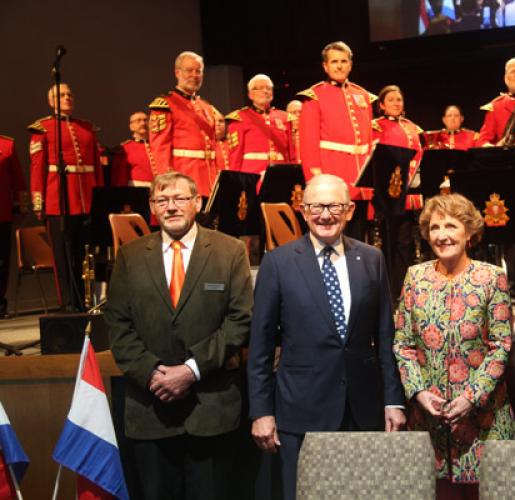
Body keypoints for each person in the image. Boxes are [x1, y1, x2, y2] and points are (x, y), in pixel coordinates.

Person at [247, 174, 406, 500]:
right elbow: (261, 347)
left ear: (348, 210)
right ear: (303, 211)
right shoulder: (278, 263)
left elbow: (386, 337)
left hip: (362, 411)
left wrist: (393, 400)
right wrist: (261, 411)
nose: (325, 215)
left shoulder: (372, 259)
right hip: (301, 411)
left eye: (334, 206)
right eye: (317, 206)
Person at [105, 172, 252, 499]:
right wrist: (153, 373)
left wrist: (190, 371)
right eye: (162, 200)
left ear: (196, 202)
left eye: (180, 199)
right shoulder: (129, 256)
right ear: (152, 207)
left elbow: (240, 320)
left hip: (211, 409)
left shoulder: (230, 252)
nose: (171, 207)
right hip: (150, 409)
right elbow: (117, 323)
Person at [393, 193, 515, 500]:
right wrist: (419, 393)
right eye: (435, 228)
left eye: (451, 226)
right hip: (429, 422)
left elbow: (501, 345)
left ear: (469, 232)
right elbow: (403, 345)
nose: (442, 235)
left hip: (484, 421)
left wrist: (470, 398)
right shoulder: (415, 278)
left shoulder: (491, 278)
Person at [29, 83, 104, 310]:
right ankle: (69, 306)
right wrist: (39, 202)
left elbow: (96, 168)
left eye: (70, 94)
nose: (67, 97)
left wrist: (99, 199)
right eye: (61, 95)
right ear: (51, 101)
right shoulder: (42, 128)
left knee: (86, 256)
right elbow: (37, 168)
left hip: (86, 201)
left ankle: (86, 303)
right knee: (63, 259)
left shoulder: (86, 128)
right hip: (58, 201)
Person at [297, 41, 376, 240]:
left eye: (343, 61)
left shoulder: (362, 95)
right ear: (325, 66)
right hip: (332, 175)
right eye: (334, 62)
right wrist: (316, 181)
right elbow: (308, 145)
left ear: (350, 64)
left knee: (360, 235)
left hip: (361, 180)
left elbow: (367, 139)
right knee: (335, 236)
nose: (339, 66)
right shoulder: (314, 96)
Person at [372, 85, 424, 295]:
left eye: (399, 100)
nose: (396, 103)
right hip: (387, 192)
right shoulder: (375, 126)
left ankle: (405, 287)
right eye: (391, 100)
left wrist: (410, 173)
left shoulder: (412, 127)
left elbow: (419, 154)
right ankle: (391, 289)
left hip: (410, 188)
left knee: (406, 240)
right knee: (390, 240)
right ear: (382, 105)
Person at [148, 51, 217, 198]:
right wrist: (166, 183)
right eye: (189, 70)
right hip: (183, 177)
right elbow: (159, 147)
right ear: (177, 72)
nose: (194, 75)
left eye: (198, 71)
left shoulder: (206, 107)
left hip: (210, 179)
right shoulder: (166, 104)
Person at [225, 74, 290, 180]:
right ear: (250, 94)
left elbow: (291, 154)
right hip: (252, 175)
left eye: (268, 88)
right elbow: (235, 156)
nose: (265, 91)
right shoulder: (240, 118)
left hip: (280, 173)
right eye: (260, 88)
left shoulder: (285, 118)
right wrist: (235, 180)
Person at [0, 135, 27, 318]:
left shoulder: (6, 145)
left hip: (1, 213)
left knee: (1, 261)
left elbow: (17, 180)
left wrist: (21, 207)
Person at [111, 111, 157, 187]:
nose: (143, 123)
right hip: (136, 193)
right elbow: (119, 178)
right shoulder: (124, 148)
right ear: (131, 127)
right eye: (138, 120)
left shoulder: (158, 145)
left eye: (146, 120)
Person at [286, 99, 302, 164]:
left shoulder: (312, 133)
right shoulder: (284, 134)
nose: (298, 115)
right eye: (294, 112)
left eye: (300, 112)